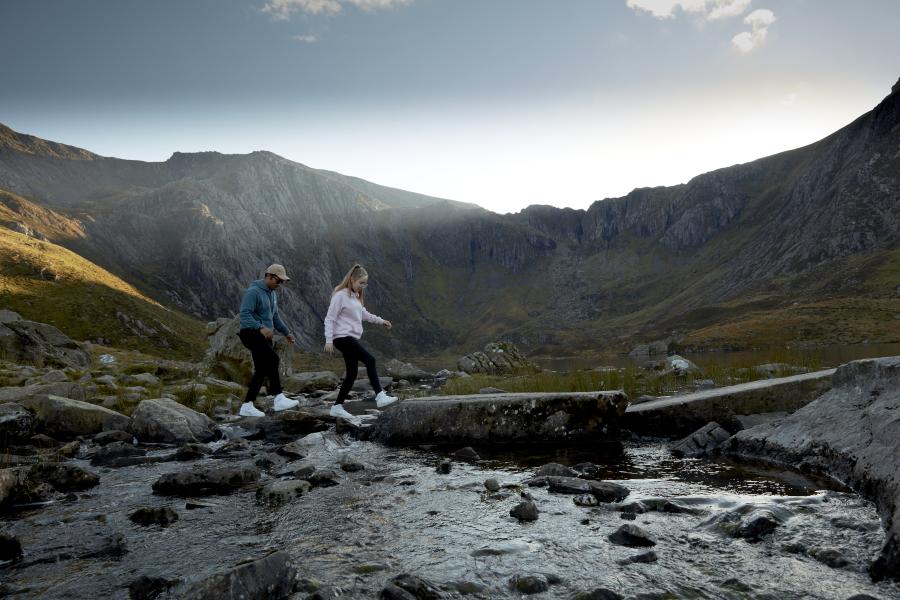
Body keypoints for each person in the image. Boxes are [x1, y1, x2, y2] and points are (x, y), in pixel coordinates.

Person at [324, 264, 397, 422]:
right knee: (370, 360)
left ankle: (337, 407)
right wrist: (328, 340)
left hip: (349, 338)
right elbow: (330, 318)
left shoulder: (355, 297)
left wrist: (381, 321)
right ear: (352, 279)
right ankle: (380, 396)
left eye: (365, 283)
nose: (363, 286)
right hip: (342, 338)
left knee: (352, 374)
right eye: (361, 283)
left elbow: (364, 314)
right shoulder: (340, 295)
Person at [237, 264, 300, 417]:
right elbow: (244, 314)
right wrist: (261, 328)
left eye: (282, 282)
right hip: (250, 333)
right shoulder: (253, 292)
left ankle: (247, 405)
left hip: (264, 336)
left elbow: (275, 317)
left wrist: (286, 333)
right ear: (269, 277)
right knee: (273, 359)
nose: (280, 285)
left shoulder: (272, 293)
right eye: (278, 281)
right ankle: (278, 398)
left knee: (262, 369)